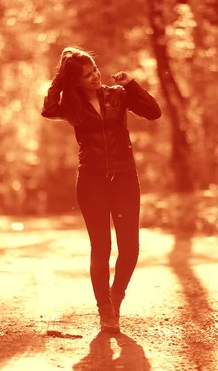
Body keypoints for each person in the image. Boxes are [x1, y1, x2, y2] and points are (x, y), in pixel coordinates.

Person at [41, 47, 161, 333]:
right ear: (76, 82)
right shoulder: (71, 106)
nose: (94, 76)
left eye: (94, 69)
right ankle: (105, 311)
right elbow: (47, 109)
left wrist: (131, 83)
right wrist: (60, 76)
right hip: (92, 181)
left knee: (130, 248)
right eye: (86, 75)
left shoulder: (117, 95)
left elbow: (153, 112)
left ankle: (115, 297)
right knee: (101, 248)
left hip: (124, 178)